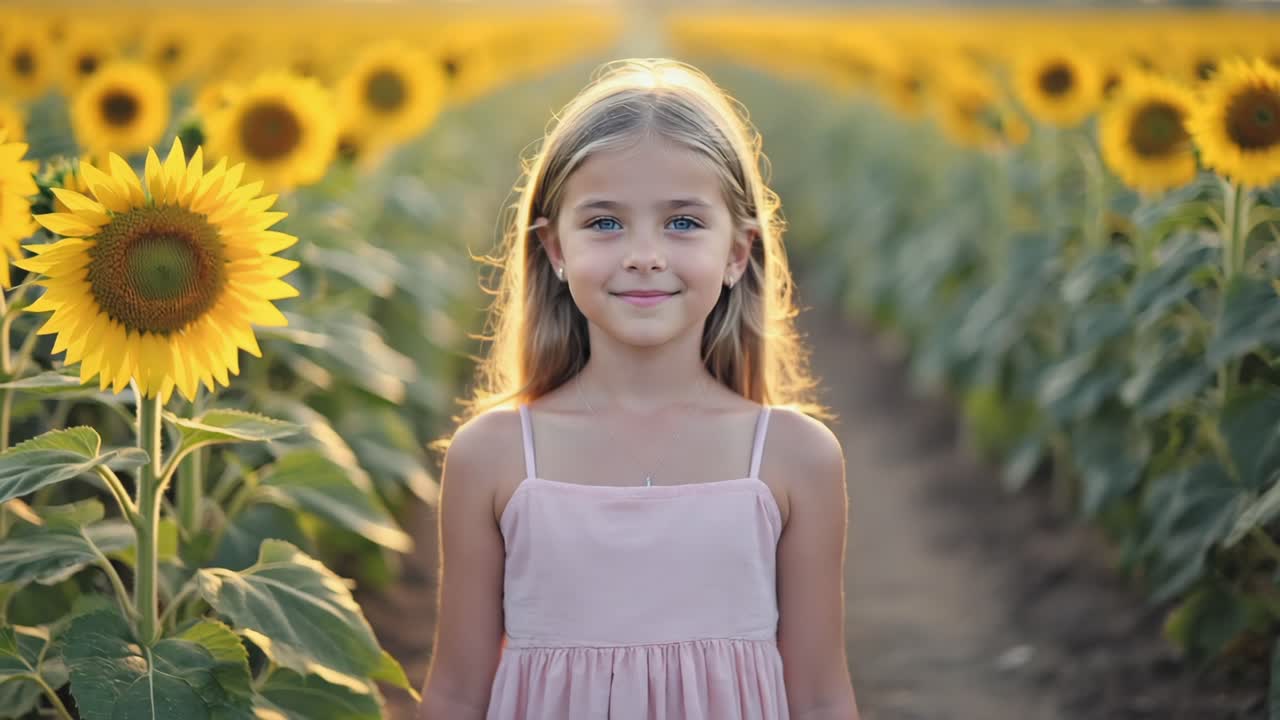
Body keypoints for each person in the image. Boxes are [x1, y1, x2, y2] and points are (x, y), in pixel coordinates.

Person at [417, 58, 860, 720]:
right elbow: (455, 692)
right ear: (554, 249)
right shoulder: (493, 457)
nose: (643, 254)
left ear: (738, 252)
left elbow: (822, 696)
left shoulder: (796, 458)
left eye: (682, 222)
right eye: (604, 223)